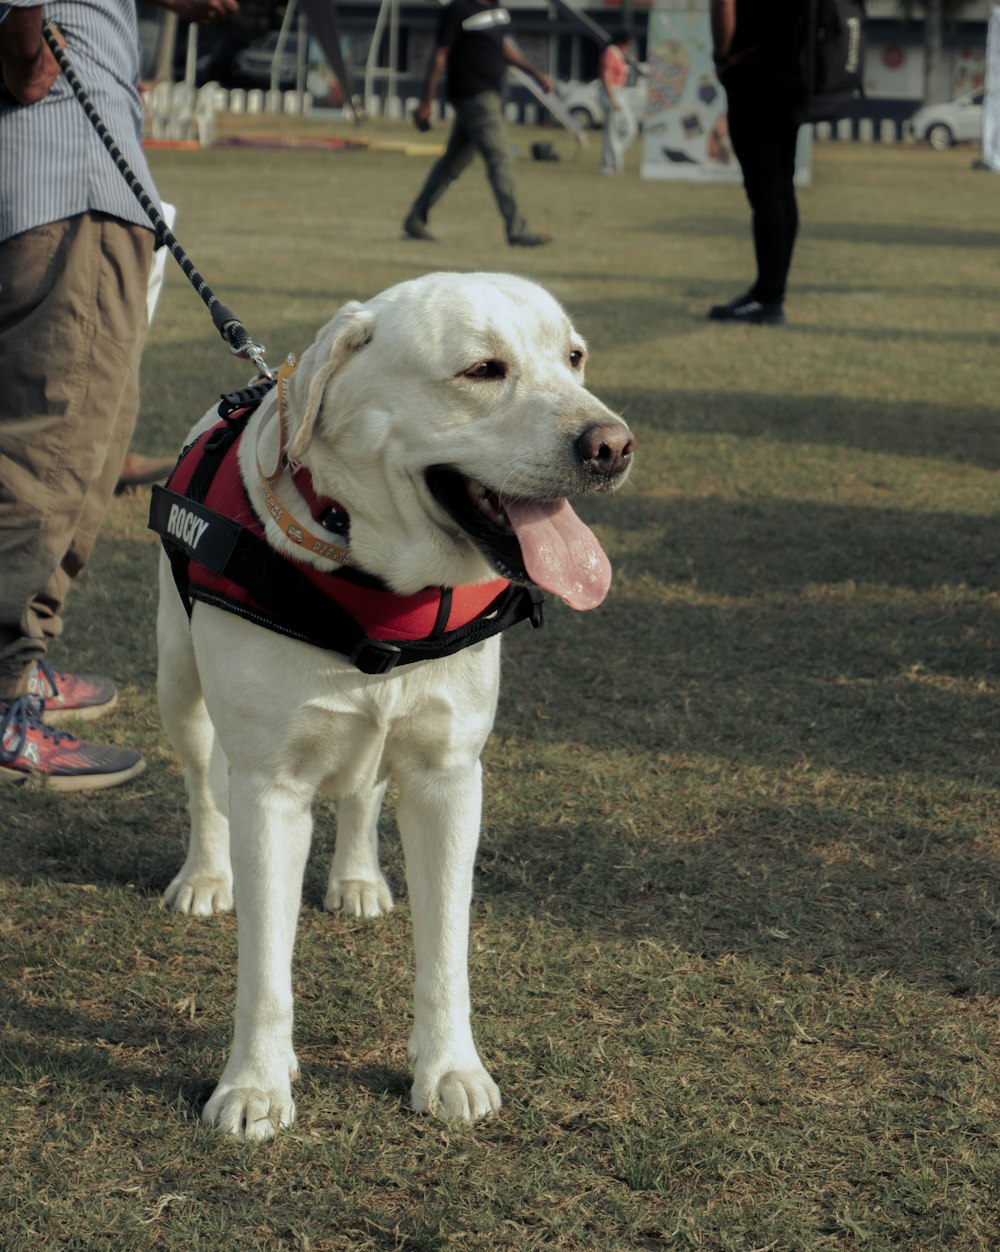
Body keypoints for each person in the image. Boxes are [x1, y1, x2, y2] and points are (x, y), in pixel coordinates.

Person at [0, 0, 235, 789]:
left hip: (69, 189)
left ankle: (18, 664)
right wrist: (25, 41)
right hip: (67, 184)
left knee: (82, 452)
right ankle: (2, 700)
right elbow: (26, 62)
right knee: (51, 457)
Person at [402, 0, 553, 247]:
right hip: (473, 95)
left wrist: (534, 73)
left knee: (451, 164)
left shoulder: (496, 11)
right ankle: (517, 229)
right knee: (500, 158)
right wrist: (426, 101)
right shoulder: (457, 10)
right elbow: (439, 55)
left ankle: (415, 220)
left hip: (490, 95)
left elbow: (503, 47)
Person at [708, 0, 800, 325]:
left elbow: (724, 5)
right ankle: (772, 292)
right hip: (793, 70)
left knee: (766, 191)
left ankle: (769, 298)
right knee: (781, 184)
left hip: (753, 70)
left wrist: (722, 56)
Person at [597, 31, 637, 177]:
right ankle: (611, 165)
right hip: (612, 93)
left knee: (630, 128)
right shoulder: (610, 53)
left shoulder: (620, 55)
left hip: (620, 93)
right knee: (612, 132)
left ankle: (614, 155)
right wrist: (612, 98)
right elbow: (606, 75)